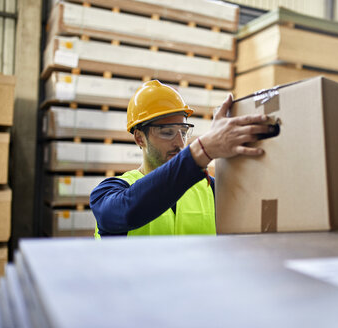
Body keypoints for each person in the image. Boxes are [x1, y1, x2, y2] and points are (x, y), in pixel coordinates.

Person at [90, 80, 272, 237]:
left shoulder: (211, 189)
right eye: (167, 133)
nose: (179, 143)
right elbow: (128, 211)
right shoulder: (109, 193)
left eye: (183, 132)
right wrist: (203, 150)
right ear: (139, 138)